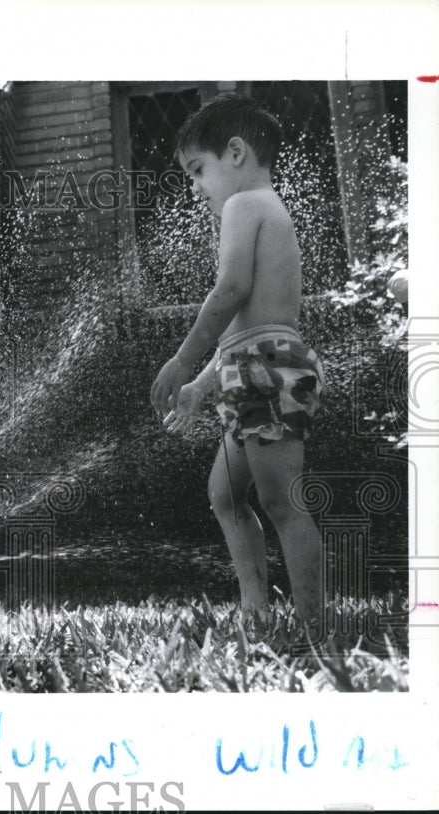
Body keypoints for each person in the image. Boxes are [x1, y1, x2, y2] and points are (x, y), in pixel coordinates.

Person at [150, 94, 325, 629]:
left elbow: (230, 290)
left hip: (266, 367)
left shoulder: (245, 205)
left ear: (235, 152)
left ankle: (313, 623)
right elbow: (239, 323)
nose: (196, 187)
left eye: (197, 171)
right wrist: (204, 385)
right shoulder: (256, 207)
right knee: (224, 495)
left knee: (280, 500)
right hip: (249, 366)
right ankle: (256, 608)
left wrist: (183, 360)